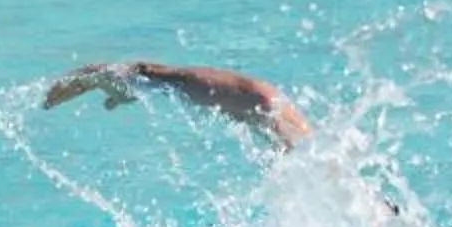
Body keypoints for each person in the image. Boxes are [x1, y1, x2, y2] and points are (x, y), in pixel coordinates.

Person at [44, 61, 312, 150]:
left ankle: (112, 79)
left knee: (160, 79)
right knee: (156, 76)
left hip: (260, 102)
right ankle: (106, 75)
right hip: (259, 101)